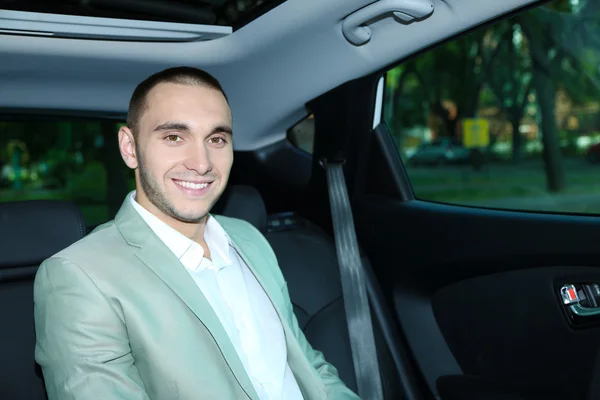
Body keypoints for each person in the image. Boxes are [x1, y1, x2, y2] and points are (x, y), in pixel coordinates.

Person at [33, 66, 359, 400]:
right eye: (174, 137)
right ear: (130, 148)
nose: (201, 163)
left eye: (216, 139)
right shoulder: (79, 277)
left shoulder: (249, 238)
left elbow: (310, 368)